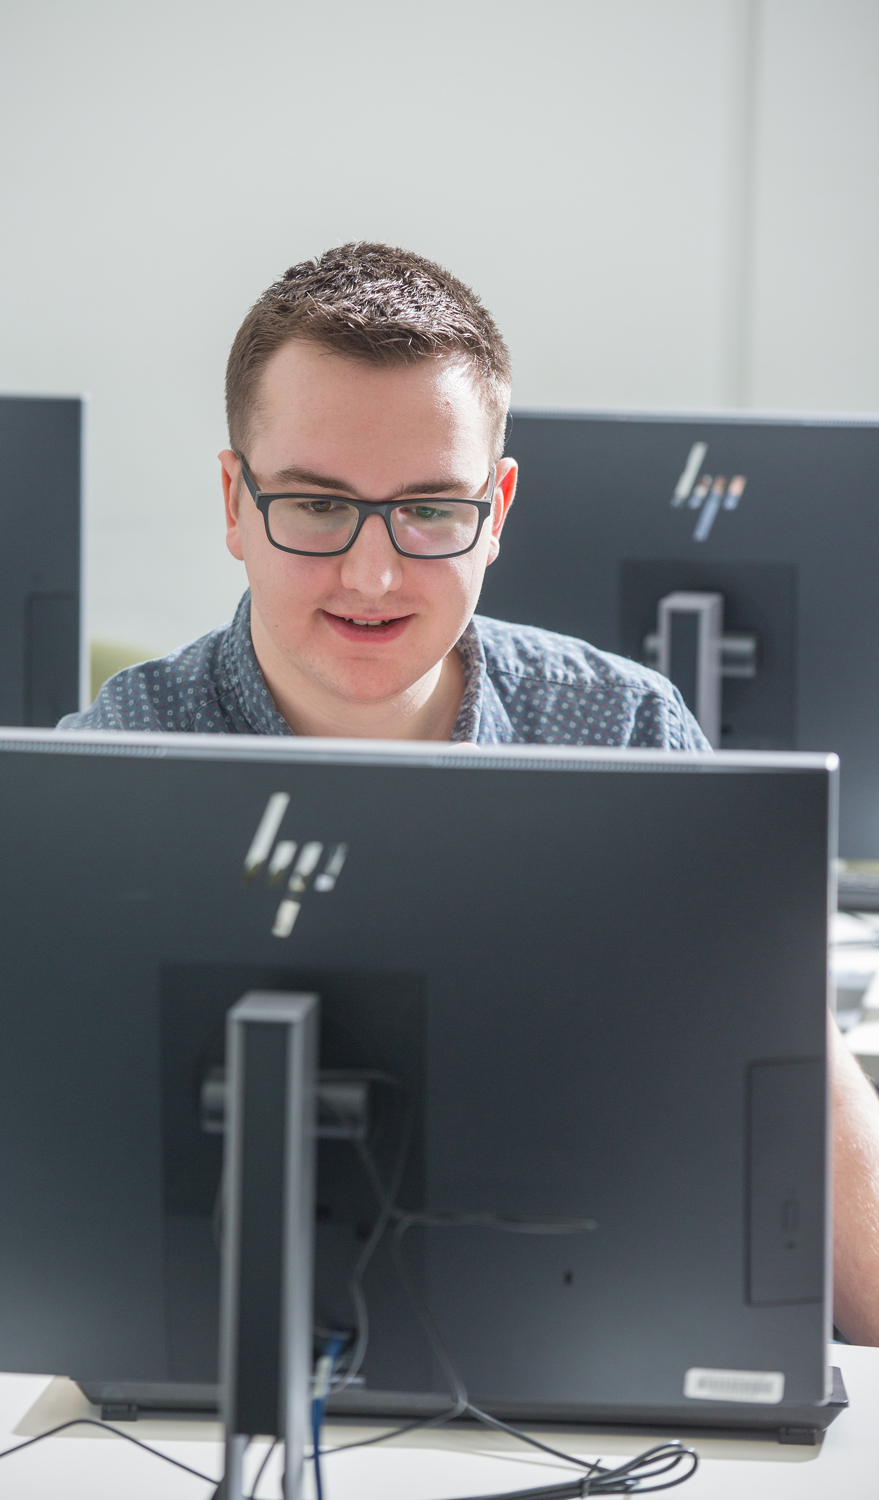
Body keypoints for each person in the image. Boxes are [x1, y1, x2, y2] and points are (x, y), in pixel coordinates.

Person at [60, 242, 879, 1343]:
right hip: (179, 1388)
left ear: (495, 509)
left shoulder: (631, 741)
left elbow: (827, 1200)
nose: (372, 574)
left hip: (582, 1356)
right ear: (233, 502)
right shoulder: (108, 762)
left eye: (430, 512)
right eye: (314, 505)